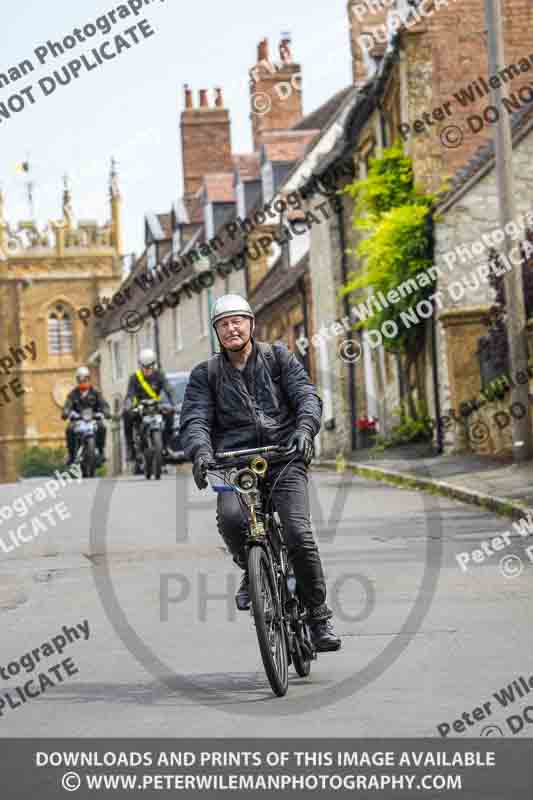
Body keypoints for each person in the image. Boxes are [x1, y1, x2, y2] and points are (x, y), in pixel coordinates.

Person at [179, 294, 341, 653]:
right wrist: (201, 452)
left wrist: (304, 430)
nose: (231, 328)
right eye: (223, 324)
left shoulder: (278, 358)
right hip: (233, 463)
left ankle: (318, 614)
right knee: (234, 520)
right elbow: (195, 420)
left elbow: (306, 397)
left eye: (237, 321)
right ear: (217, 333)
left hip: (284, 456)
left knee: (298, 533)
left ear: (251, 324)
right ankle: (250, 569)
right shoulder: (205, 375)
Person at [123, 348, 177, 463]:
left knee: (170, 414)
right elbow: (130, 394)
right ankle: (130, 448)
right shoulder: (134, 378)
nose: (147, 369)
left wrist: (175, 403)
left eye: (150, 366)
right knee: (126, 416)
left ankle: (167, 445)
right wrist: (128, 405)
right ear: (140, 366)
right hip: (140, 407)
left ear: (154, 365)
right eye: (144, 367)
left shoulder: (159, 375)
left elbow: (169, 389)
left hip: (155, 406)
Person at [62, 367, 111, 466]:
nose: (83, 382)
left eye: (85, 379)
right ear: (77, 380)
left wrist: (106, 412)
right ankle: (71, 455)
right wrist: (66, 412)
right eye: (80, 380)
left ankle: (101, 451)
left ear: (89, 379)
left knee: (102, 427)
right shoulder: (73, 394)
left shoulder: (96, 393)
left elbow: (103, 404)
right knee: (69, 429)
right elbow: (67, 405)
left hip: (93, 419)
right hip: (78, 420)